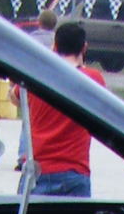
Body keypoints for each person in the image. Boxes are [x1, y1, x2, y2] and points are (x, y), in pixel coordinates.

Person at [23, 19, 101, 196]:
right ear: (84, 48)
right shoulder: (92, 79)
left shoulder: (36, 75)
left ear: (55, 46)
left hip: (37, 169)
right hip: (74, 169)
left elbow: (14, 96)